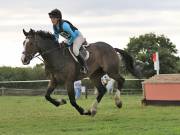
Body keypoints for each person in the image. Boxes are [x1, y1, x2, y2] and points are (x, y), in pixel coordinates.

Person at [48, 8, 88, 74]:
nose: (52, 20)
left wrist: (69, 42)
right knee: (61, 46)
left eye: (53, 18)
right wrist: (53, 43)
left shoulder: (64, 25)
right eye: (51, 18)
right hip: (70, 38)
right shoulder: (54, 26)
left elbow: (74, 36)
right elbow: (56, 37)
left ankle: (84, 67)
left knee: (75, 50)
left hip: (77, 37)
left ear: (58, 18)